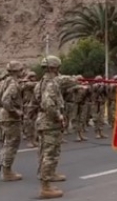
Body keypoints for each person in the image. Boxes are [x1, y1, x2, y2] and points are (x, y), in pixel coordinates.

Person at [34, 56, 66, 199]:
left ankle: (49, 175)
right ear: (54, 68)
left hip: (43, 121)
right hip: (50, 122)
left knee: (45, 152)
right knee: (49, 154)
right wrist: (58, 115)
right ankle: (46, 187)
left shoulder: (41, 83)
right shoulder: (51, 83)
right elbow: (48, 104)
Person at [0, 60, 24, 182]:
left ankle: (6, 169)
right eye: (21, 70)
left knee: (8, 142)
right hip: (9, 116)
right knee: (12, 143)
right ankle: (7, 171)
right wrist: (15, 111)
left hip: (4, 116)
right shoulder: (13, 83)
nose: (22, 72)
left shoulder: (5, 81)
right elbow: (6, 100)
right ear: (16, 71)